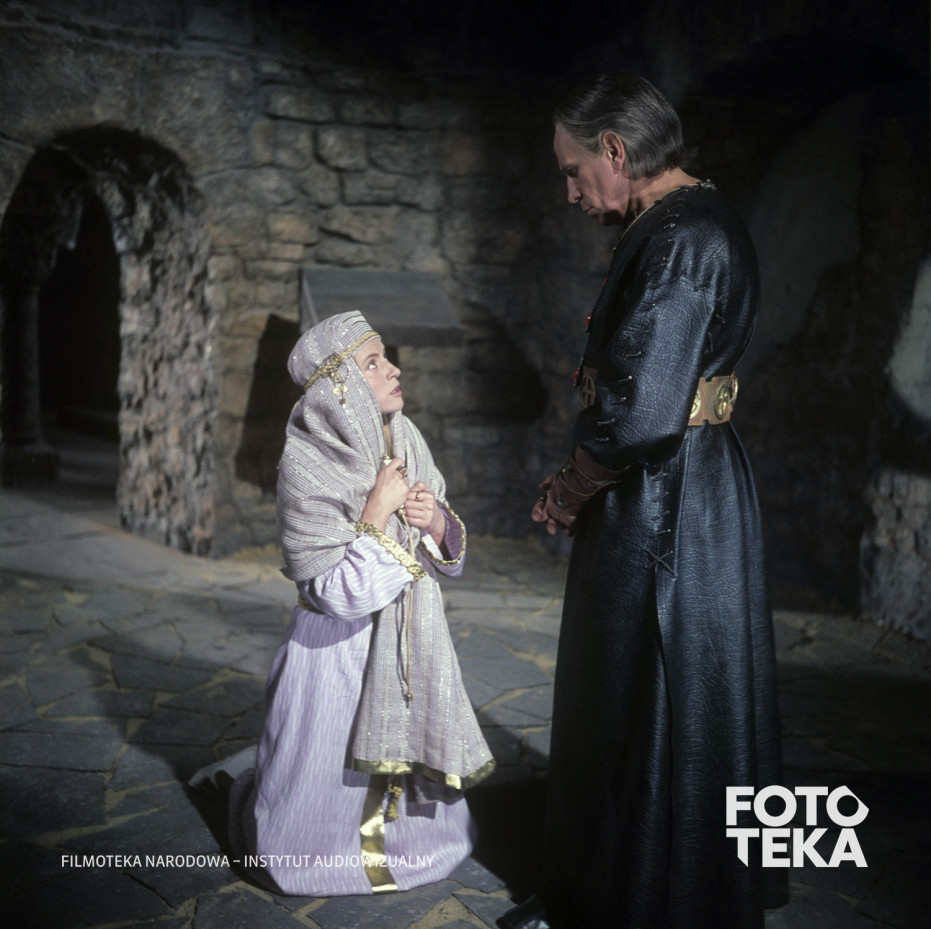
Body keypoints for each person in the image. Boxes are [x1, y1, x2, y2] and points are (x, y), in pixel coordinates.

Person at [500, 73, 787, 929]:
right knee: (636, 693)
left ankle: (627, 903)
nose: (569, 191)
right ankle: (632, 891)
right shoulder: (678, 224)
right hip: (677, 485)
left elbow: (642, 410)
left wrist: (571, 486)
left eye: (573, 170)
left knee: (644, 693)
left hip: (666, 496)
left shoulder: (683, 238)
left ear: (615, 150)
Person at [213, 310, 494, 896]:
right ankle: (318, 850)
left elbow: (444, 548)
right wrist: (376, 513)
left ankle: (410, 845)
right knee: (328, 765)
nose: (393, 370)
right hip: (336, 654)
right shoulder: (305, 463)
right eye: (373, 362)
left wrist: (435, 523)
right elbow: (334, 593)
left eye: (386, 357)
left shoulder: (407, 437)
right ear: (338, 386)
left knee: (409, 745)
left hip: (410, 641)